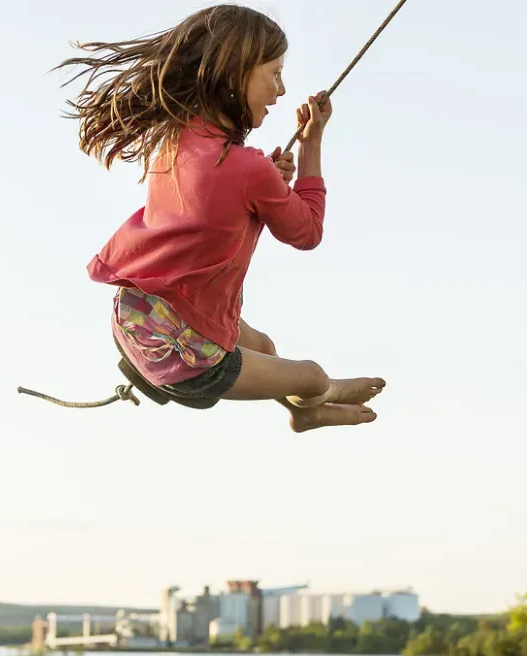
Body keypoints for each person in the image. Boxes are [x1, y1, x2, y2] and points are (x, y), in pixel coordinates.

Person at [58, 4, 386, 432]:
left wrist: (267, 182)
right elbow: (307, 232)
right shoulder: (248, 170)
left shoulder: (178, 136)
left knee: (265, 347)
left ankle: (301, 412)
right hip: (183, 351)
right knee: (309, 374)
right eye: (274, 74)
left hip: (139, 315)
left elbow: (211, 206)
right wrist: (310, 148)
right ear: (236, 73)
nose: (281, 90)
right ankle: (320, 394)